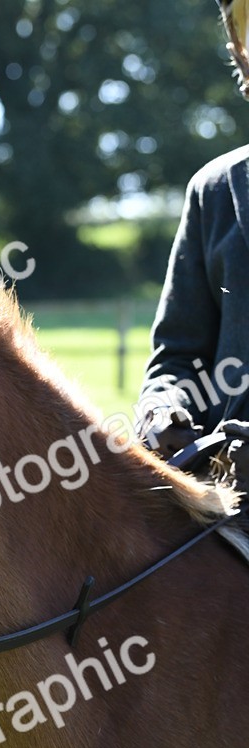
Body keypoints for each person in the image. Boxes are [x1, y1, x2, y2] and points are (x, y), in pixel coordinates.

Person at [139, 0, 249, 486]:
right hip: (230, 512)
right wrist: (163, 409)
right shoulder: (216, 191)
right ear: (240, 52)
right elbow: (177, 359)